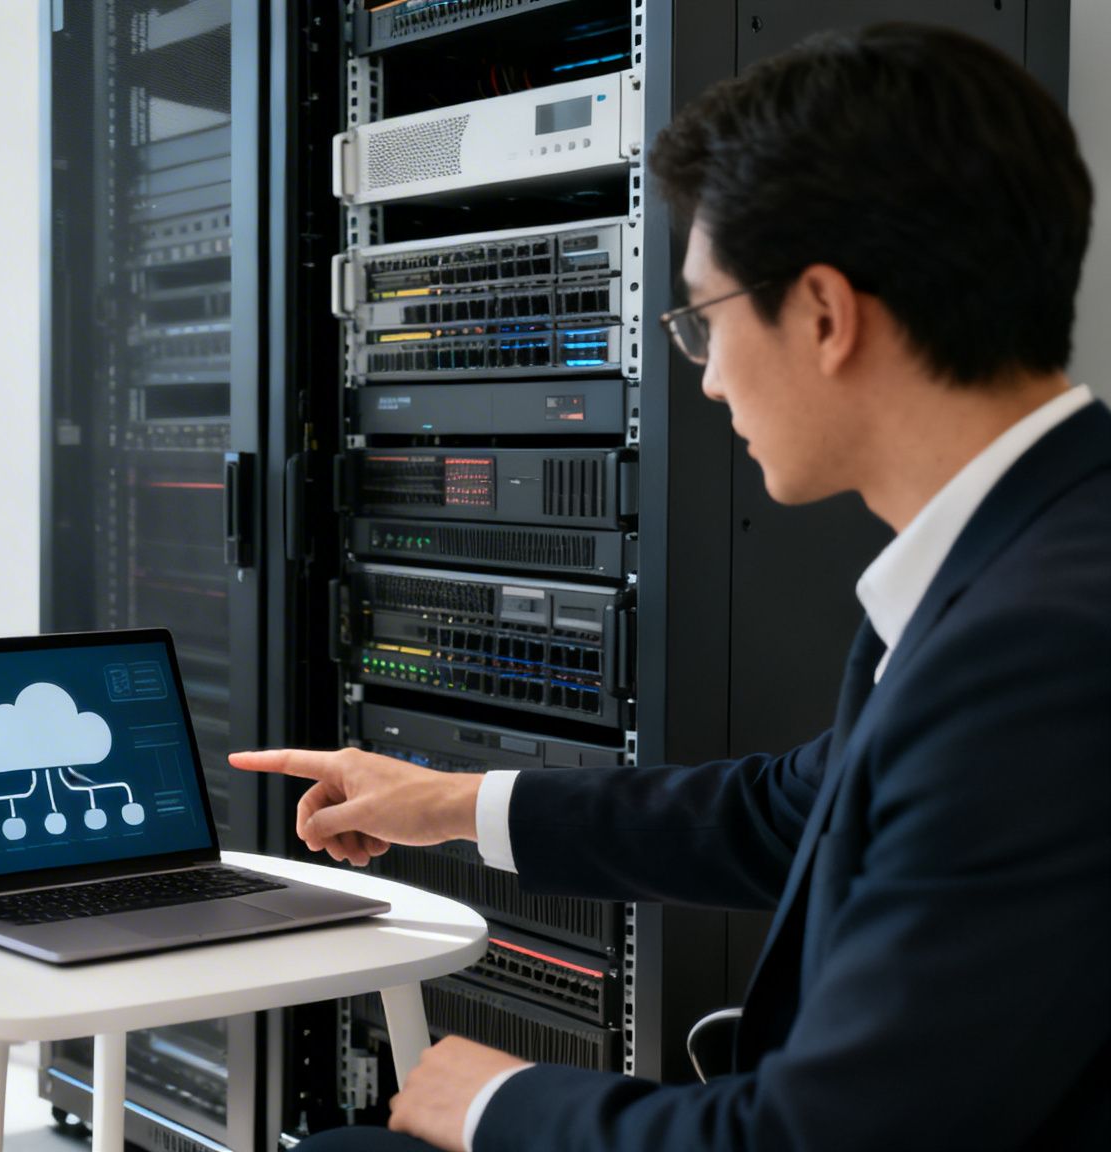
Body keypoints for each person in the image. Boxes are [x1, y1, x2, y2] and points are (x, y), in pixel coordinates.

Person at [232, 22, 1111, 1152]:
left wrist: (495, 1101)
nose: (700, 378)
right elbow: (783, 813)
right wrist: (440, 802)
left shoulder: (1038, 645)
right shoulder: (1025, 552)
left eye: (699, 322)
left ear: (824, 315)